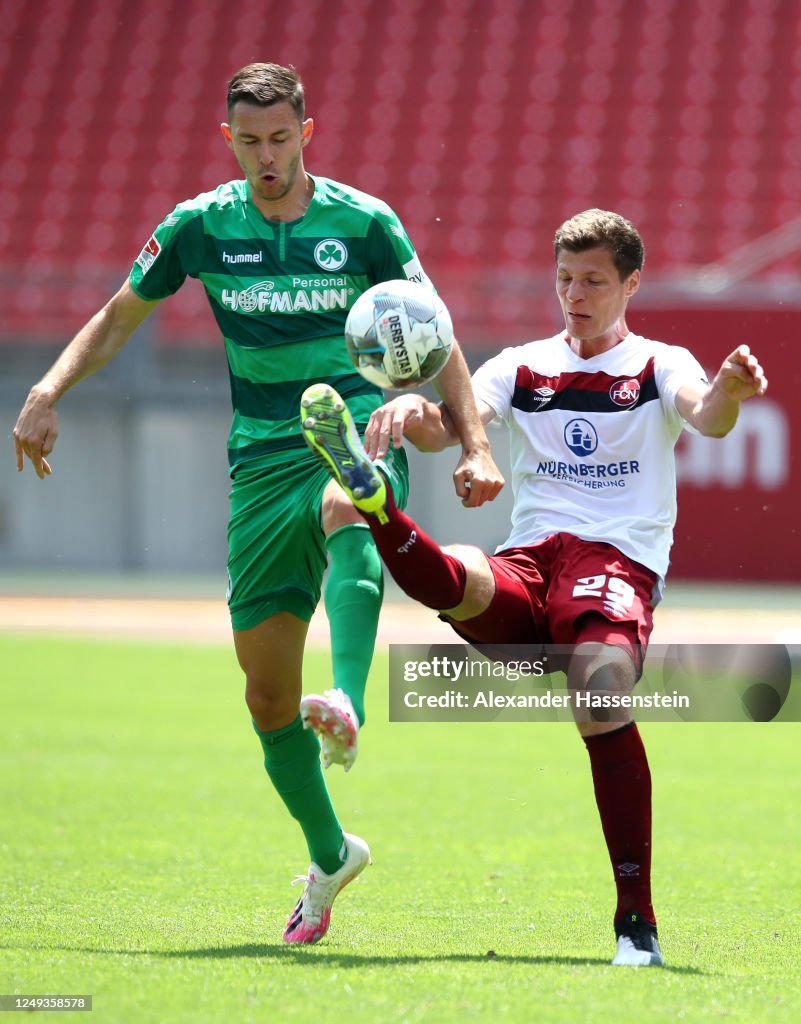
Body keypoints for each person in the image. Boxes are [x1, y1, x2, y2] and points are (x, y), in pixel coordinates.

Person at [12, 62, 502, 945]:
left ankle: (348, 698)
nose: (266, 155)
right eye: (250, 141)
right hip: (259, 459)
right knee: (266, 697)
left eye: (281, 139)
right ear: (227, 138)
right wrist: (49, 389)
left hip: (353, 421)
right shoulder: (201, 225)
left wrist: (473, 444)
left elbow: (437, 337)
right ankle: (330, 855)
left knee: (352, 500)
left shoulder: (363, 221)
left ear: (306, 134)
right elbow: (124, 313)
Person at [300, 208, 768, 966]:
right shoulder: (519, 365)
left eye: (591, 281)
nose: (573, 294)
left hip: (613, 562)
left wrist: (729, 391)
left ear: (630, 284)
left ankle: (635, 926)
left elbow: (705, 417)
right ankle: (375, 502)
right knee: (452, 578)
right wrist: (413, 408)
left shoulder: (657, 362)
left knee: (599, 691)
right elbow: (449, 423)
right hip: (530, 560)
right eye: (563, 279)